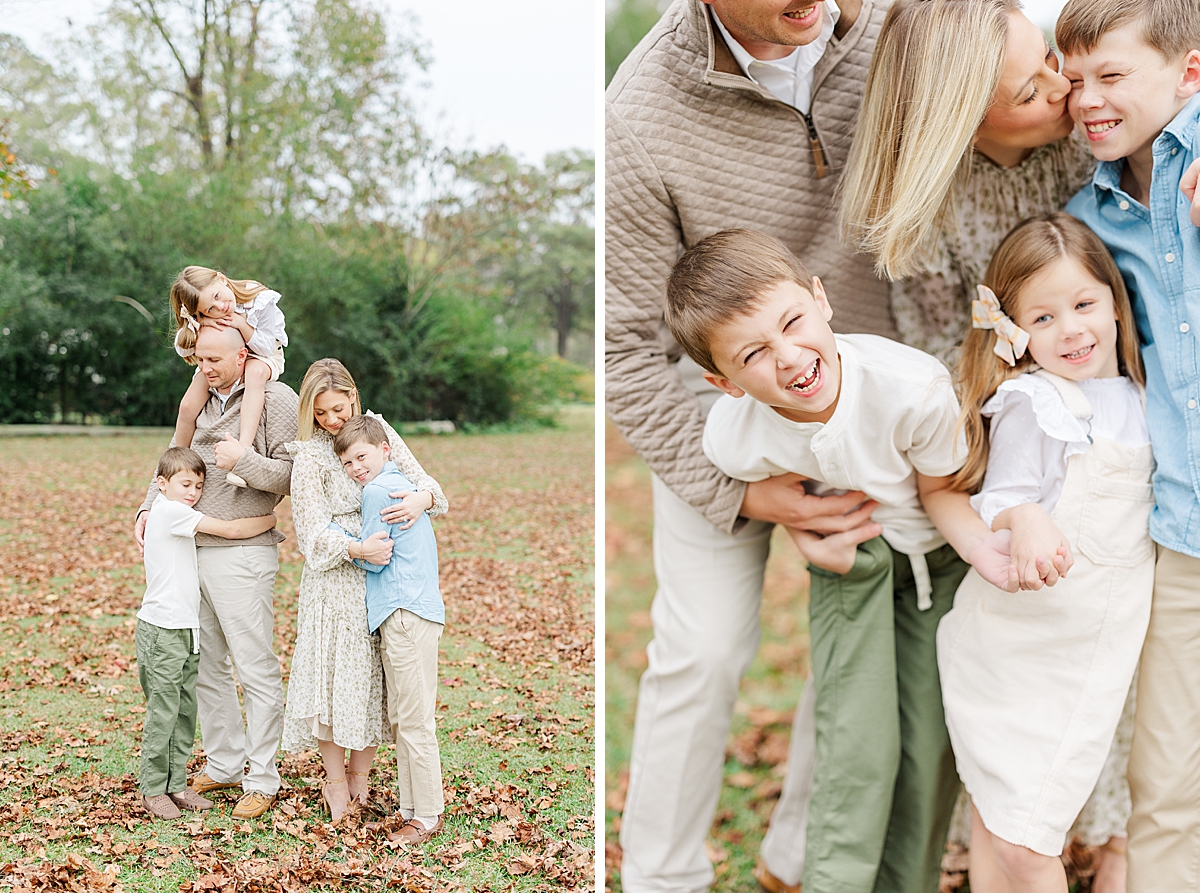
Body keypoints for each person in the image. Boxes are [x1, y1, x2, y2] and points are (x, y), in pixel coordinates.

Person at [835, 2, 1200, 883]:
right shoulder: (974, 207)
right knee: (1090, 708)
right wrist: (1000, 492)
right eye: (1045, 82)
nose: (1068, 93)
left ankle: (1102, 849)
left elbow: (1159, 73)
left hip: (1138, 460)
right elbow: (947, 385)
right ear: (966, 111)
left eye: (1064, 68)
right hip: (1077, 471)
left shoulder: (1119, 140)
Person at [665, 228, 1066, 892]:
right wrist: (800, 523)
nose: (789, 357)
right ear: (724, 382)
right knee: (856, 744)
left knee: (926, 749)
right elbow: (775, 492)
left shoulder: (911, 387)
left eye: (792, 322)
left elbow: (941, 487)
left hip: (935, 562)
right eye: (754, 353)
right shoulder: (735, 438)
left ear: (820, 298)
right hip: (854, 563)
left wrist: (979, 552)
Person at [605, 2, 894, 888]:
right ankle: (660, 875)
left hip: (872, 383)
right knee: (702, 650)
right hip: (719, 402)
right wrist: (740, 491)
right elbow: (624, 352)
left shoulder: (897, 26)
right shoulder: (638, 120)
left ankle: (797, 858)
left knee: (861, 640)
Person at [937, 213, 1152, 893]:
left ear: (1114, 303)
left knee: (1018, 818)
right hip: (1021, 648)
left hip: (1091, 653)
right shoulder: (1037, 400)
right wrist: (1026, 518)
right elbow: (1003, 492)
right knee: (1023, 833)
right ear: (1015, 329)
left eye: (1085, 304)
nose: (1072, 329)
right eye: (1045, 316)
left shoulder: (1146, 401)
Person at [1060, 2, 1200, 887]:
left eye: (1112, 76)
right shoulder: (1088, 219)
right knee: (1167, 780)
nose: (1087, 101)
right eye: (1075, 81)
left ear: (1189, 73)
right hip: (1182, 531)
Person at [134, 323, 298, 820]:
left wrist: (244, 460)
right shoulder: (200, 398)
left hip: (243, 553)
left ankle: (262, 777)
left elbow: (291, 478)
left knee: (255, 666)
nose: (205, 368)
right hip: (189, 552)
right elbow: (173, 459)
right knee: (206, 668)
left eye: (214, 360)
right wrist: (146, 505)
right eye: (199, 359)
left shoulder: (277, 400)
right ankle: (225, 763)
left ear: (243, 352)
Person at [281, 358, 446, 824]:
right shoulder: (310, 455)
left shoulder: (377, 430)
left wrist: (421, 499)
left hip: (384, 586)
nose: (333, 420)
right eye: (322, 412)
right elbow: (310, 533)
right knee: (332, 684)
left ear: (353, 396)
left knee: (373, 684)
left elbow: (432, 487)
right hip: (335, 580)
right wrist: (356, 548)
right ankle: (335, 782)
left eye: (339, 407)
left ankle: (362, 778)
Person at [137, 446, 278, 820]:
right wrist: (270, 519)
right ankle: (153, 788)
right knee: (164, 711)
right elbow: (231, 529)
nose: (193, 493)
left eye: (198, 486)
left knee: (185, 709)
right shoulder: (169, 511)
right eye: (185, 484)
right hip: (163, 628)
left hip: (186, 627)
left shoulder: (178, 509)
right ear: (161, 484)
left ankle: (177, 784)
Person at [331, 414, 446, 845]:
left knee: (414, 720)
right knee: (404, 718)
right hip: (404, 610)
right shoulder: (397, 485)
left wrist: (343, 542)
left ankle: (427, 814)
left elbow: (375, 554)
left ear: (385, 450)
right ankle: (412, 807)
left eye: (361, 456)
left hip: (404, 611)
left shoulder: (379, 490)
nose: (355, 468)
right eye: (347, 463)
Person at [170, 266, 288, 488]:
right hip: (221, 361)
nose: (220, 307)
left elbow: (264, 348)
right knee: (187, 406)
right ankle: (178, 462)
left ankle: (244, 448)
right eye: (210, 308)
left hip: (263, 356)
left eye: (217, 296)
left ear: (221, 279)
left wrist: (241, 324)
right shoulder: (206, 318)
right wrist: (200, 323)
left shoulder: (258, 298)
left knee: (254, 373)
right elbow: (183, 349)